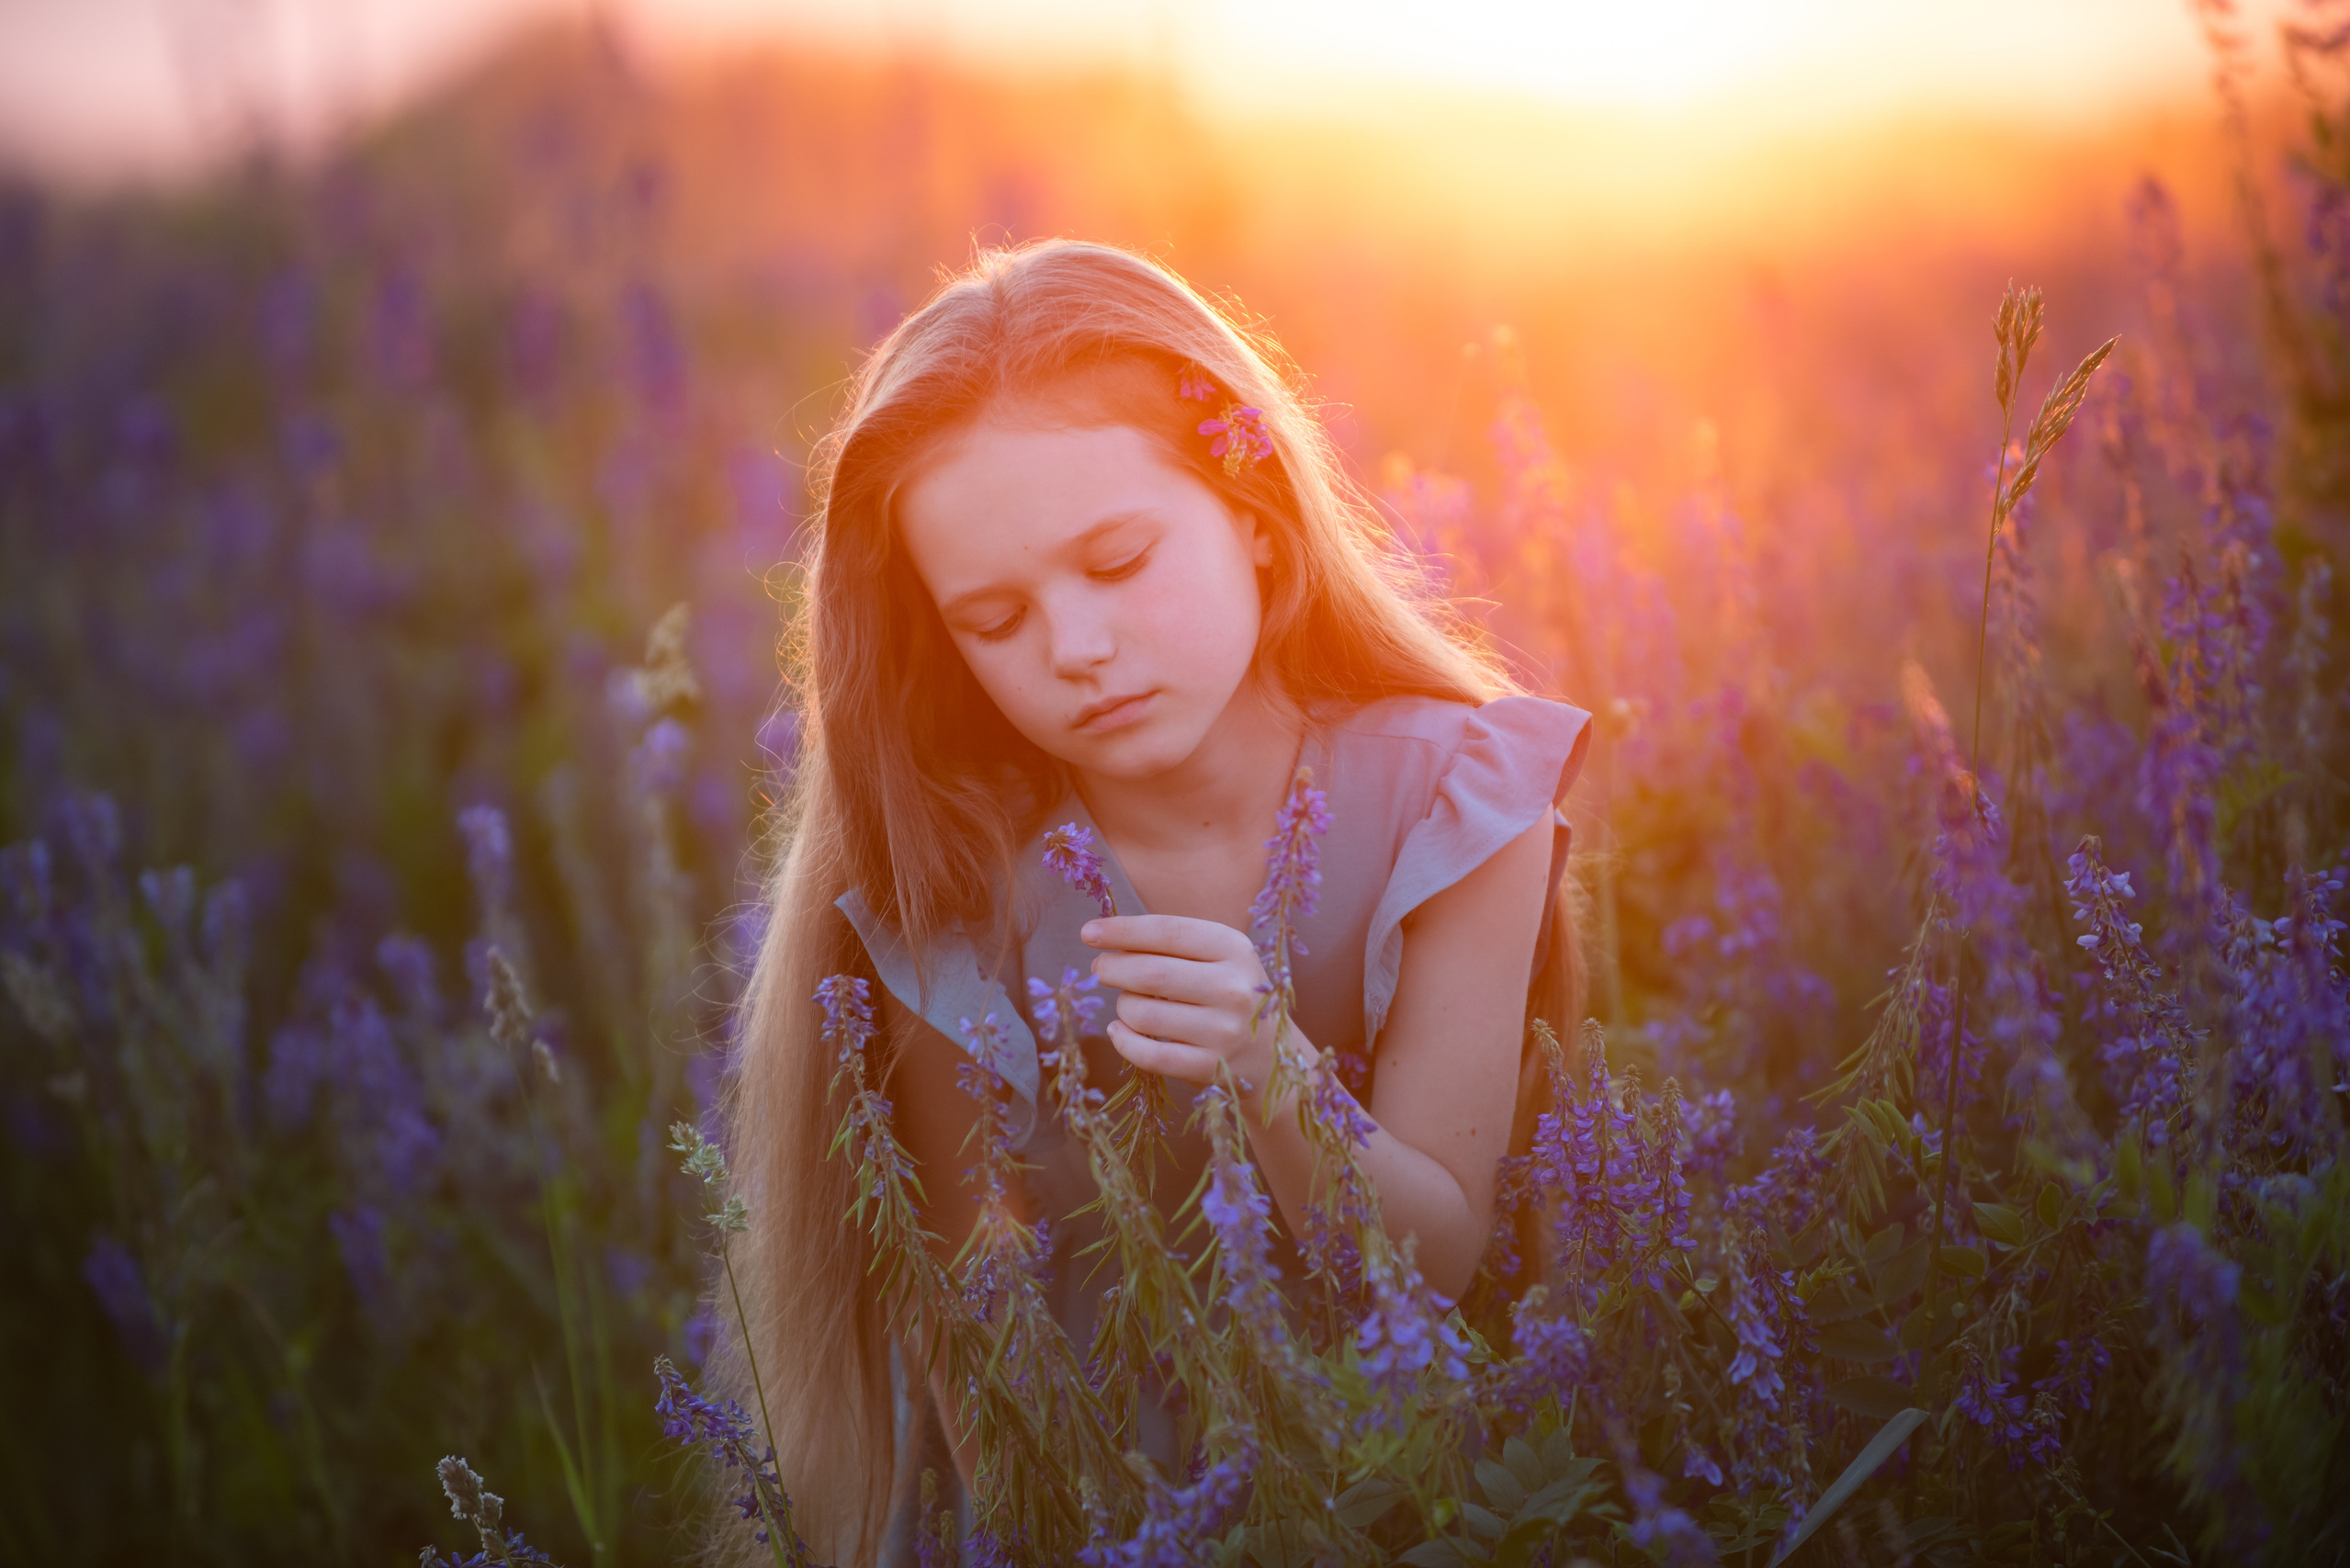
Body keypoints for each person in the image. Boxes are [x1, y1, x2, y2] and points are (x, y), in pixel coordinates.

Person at [725, 238, 1591, 1562]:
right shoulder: (954, 875)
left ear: (1251, 508)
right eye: (994, 618)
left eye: (1119, 561)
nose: (1075, 648)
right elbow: (978, 1335)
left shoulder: (1457, 804)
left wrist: (1267, 1062)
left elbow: (1431, 1265)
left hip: (1404, 1497)